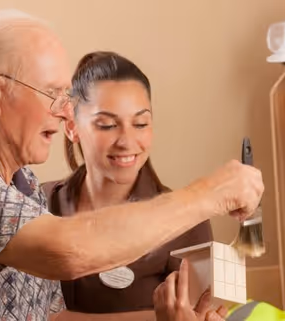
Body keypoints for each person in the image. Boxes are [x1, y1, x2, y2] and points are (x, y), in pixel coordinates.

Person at [0, 9, 264, 321]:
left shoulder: (25, 185)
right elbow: (68, 250)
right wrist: (211, 193)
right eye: (52, 93)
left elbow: (51, 315)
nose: (64, 112)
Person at [41, 51, 213, 317]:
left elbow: (196, 313)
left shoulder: (187, 221)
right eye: (108, 125)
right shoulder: (38, 202)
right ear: (72, 126)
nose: (127, 141)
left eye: (140, 123)